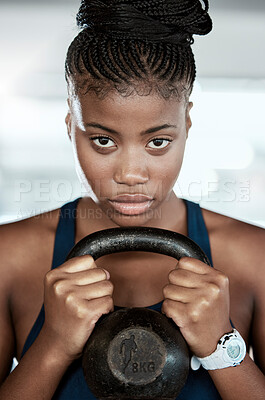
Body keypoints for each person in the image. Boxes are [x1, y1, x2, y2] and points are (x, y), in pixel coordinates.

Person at [0, 0, 264, 399]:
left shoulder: (255, 258)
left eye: (158, 142)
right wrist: (52, 345)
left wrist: (222, 348)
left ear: (186, 125)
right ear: (72, 125)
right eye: (103, 141)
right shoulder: (9, 257)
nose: (131, 175)